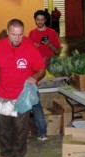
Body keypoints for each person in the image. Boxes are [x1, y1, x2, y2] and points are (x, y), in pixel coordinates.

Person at [0, 19, 45, 157]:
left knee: (20, 129)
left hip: (22, 97)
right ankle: (5, 155)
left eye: (20, 34)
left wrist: (35, 77)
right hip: (3, 95)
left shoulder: (30, 48)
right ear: (7, 33)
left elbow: (41, 69)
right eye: (14, 34)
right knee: (5, 128)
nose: (17, 38)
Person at [29, 10, 61, 141]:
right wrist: (34, 47)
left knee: (36, 104)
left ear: (45, 20)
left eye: (42, 19)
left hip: (48, 70)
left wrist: (49, 44)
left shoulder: (51, 33)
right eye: (38, 19)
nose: (40, 22)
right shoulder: (31, 33)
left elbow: (57, 51)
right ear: (35, 20)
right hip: (34, 71)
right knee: (35, 103)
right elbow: (28, 52)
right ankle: (39, 131)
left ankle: (42, 132)